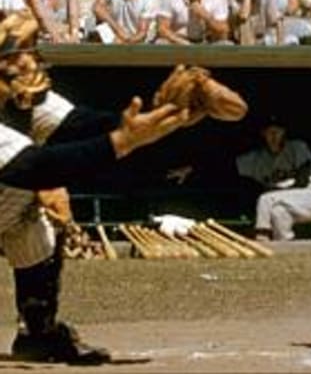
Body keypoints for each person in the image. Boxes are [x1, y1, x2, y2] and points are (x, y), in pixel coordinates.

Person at [0, 38, 246, 363]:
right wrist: (124, 140)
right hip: (20, 173)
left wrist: (161, 116)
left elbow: (83, 129)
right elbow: (34, 168)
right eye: (10, 58)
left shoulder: (23, 101)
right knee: (35, 187)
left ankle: (38, 334)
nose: (24, 65)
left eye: (22, 54)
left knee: (33, 220)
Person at [235, 118, 311, 241]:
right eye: (270, 132)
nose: (274, 135)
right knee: (277, 213)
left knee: (265, 199)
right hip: (287, 204)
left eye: (277, 131)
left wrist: (276, 189)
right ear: (263, 134)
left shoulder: (297, 147)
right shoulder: (258, 158)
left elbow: (302, 181)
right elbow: (230, 168)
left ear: (284, 133)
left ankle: (261, 236)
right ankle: (286, 248)